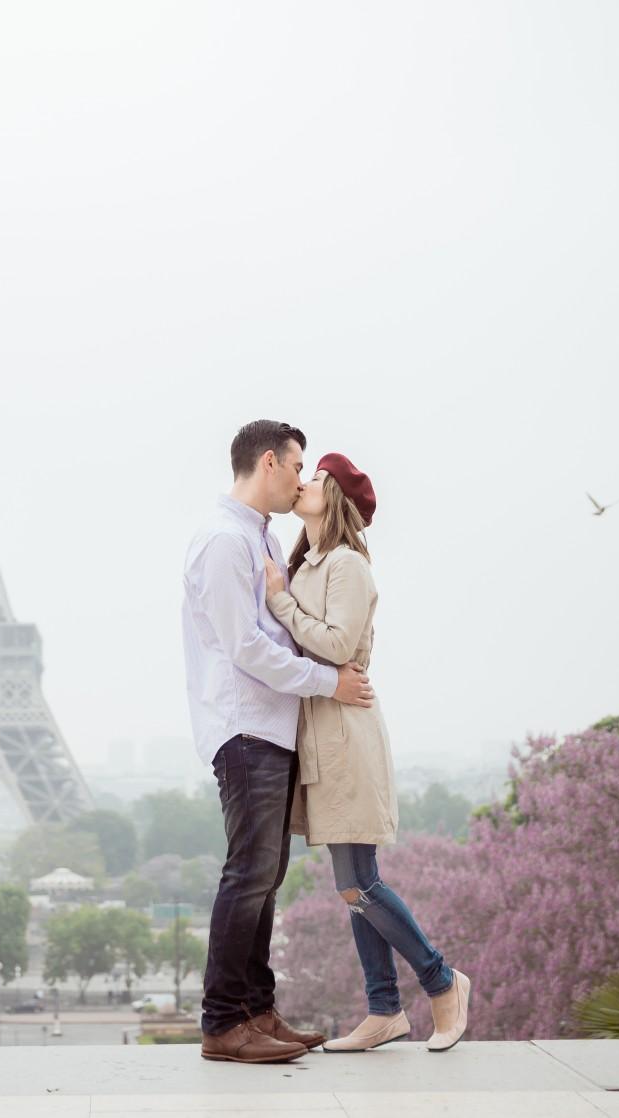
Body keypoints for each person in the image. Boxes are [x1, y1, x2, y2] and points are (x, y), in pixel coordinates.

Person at [263, 453, 471, 1052]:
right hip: (323, 731)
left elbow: (335, 644)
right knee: (356, 885)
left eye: (315, 479)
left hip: (346, 734)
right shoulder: (310, 562)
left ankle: (441, 980)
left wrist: (279, 603)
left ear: (335, 498)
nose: (302, 483)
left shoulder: (348, 566)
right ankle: (383, 1009)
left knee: (358, 885)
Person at [182, 421, 375, 1064]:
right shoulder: (222, 541)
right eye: (297, 466)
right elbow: (246, 648)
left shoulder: (257, 536)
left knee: (265, 876)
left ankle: (255, 1012)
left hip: (271, 724)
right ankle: (222, 1023)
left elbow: (279, 633)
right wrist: (328, 682)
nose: (301, 479)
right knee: (249, 874)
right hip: (244, 726)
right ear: (270, 462)